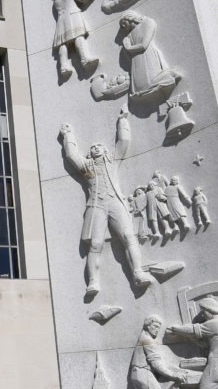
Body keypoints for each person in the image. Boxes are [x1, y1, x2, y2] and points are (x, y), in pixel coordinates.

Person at [59, 106, 153, 296]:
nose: (95, 148)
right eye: (92, 147)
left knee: (128, 237)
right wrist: (68, 136)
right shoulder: (87, 168)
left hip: (115, 202)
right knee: (95, 244)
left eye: (98, 146)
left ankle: (138, 272)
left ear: (105, 150)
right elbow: (72, 156)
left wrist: (123, 120)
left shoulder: (112, 162)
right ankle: (93, 282)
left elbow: (123, 141)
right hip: (96, 206)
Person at [52, 0, 104, 79]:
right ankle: (84, 59)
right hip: (73, 16)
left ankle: (63, 66)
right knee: (78, 37)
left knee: (64, 44)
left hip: (62, 21)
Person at [119, 11, 180, 98]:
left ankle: (169, 76)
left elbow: (144, 45)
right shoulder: (128, 36)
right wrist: (126, 49)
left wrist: (129, 48)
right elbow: (129, 57)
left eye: (123, 23)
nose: (123, 26)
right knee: (140, 87)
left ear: (129, 18)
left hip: (148, 56)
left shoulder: (148, 22)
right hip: (136, 63)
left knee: (151, 80)